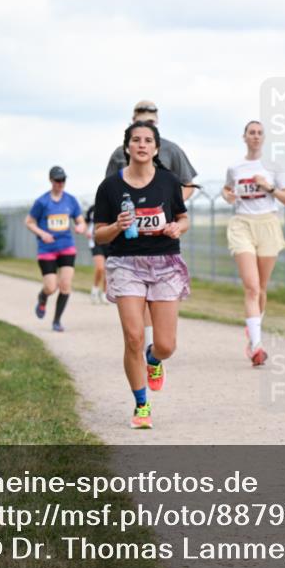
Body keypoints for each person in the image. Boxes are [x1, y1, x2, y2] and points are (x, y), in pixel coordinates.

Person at [94, 121, 190, 430]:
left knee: (166, 345)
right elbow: (100, 235)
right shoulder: (110, 187)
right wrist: (117, 227)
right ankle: (141, 404)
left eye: (148, 140)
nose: (142, 145)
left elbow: (183, 218)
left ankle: (154, 360)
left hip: (164, 262)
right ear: (127, 147)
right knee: (133, 336)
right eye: (136, 140)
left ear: (156, 148)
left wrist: (178, 227)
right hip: (125, 263)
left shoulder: (168, 181)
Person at [105, 100, 199, 370]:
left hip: (163, 239)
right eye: (140, 124)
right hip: (129, 242)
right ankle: (142, 350)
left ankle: (154, 353)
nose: (144, 137)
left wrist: (168, 202)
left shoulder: (171, 150)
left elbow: (188, 184)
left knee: (163, 323)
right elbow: (110, 193)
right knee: (137, 306)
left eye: (152, 125)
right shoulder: (118, 154)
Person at [222, 120, 285, 366]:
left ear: (263, 138)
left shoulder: (274, 167)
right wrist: (227, 195)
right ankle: (257, 345)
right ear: (244, 137)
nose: (255, 136)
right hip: (242, 224)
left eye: (259, 133)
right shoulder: (235, 167)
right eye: (251, 132)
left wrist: (269, 187)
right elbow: (227, 190)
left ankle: (253, 329)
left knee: (261, 288)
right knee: (251, 287)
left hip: (268, 225)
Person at [25, 166, 86, 332]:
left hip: (66, 246)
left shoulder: (71, 200)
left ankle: (57, 321)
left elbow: (80, 220)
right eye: (57, 180)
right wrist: (42, 233)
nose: (61, 183)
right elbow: (29, 222)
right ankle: (43, 296)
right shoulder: (42, 202)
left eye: (63, 180)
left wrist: (80, 226)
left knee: (65, 285)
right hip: (47, 249)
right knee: (51, 287)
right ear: (51, 180)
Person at [84, 203, 108, 304]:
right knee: (100, 268)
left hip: (109, 242)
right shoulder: (92, 208)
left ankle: (105, 294)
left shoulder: (113, 205)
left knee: (108, 270)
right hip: (95, 241)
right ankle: (95, 290)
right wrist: (86, 231)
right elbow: (85, 222)